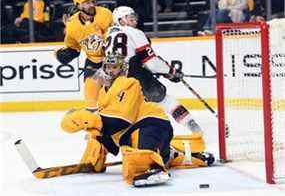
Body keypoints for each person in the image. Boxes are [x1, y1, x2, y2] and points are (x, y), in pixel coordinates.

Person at [60, 51, 214, 187]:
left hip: (152, 122)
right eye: (107, 67)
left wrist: (86, 120)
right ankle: (186, 156)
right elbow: (108, 126)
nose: (109, 71)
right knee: (99, 135)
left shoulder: (130, 83)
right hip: (130, 131)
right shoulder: (102, 93)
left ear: (123, 69)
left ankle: (155, 170)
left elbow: (121, 120)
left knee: (137, 156)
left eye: (114, 67)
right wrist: (94, 132)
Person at [104, 6, 202, 134]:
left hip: (114, 80)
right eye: (130, 17)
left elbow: (122, 59)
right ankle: (193, 127)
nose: (134, 20)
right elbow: (151, 63)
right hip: (135, 76)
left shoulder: (108, 34)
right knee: (165, 100)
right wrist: (171, 72)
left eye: (134, 16)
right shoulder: (134, 32)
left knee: (130, 111)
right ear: (121, 21)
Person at [54, 0, 113, 110]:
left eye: (92, 1)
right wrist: (67, 54)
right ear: (78, 5)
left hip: (113, 61)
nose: (91, 5)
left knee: (115, 96)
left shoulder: (105, 14)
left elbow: (116, 39)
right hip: (94, 62)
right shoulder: (72, 25)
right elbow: (73, 47)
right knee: (91, 99)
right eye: (86, 3)